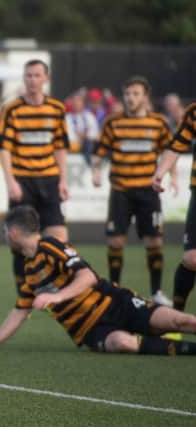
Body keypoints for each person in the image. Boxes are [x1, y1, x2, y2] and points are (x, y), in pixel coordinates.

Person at [0, 205, 196, 355]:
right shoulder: (29, 270)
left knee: (181, 322)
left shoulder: (51, 246)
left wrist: (57, 296)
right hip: (90, 329)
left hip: (115, 302)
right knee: (122, 343)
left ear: (13, 233)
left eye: (4, 233)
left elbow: (88, 276)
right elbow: (19, 312)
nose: (4, 238)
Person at [92, 76, 175, 306]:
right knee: (116, 242)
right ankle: (114, 291)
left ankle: (157, 291)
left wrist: (174, 177)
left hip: (148, 191)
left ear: (145, 97)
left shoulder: (159, 123)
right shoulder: (112, 122)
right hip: (121, 190)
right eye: (128, 93)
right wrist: (96, 171)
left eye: (136, 94)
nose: (131, 98)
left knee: (154, 241)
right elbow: (100, 151)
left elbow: (170, 152)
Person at [0, 59, 69, 288]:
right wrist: (10, 182)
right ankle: (24, 291)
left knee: (59, 238)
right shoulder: (12, 109)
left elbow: (60, 146)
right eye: (28, 75)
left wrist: (63, 179)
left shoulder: (56, 109)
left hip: (48, 180)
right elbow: (4, 147)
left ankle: (53, 284)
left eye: (37, 75)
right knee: (18, 239)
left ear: (46, 79)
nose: (32, 80)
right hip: (22, 180)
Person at [153, 102, 196, 312]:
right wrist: (160, 172)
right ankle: (176, 315)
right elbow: (176, 145)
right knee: (192, 258)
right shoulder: (193, 112)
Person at [65, 92, 98, 166]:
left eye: (78, 101)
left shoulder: (89, 117)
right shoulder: (67, 118)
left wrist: (84, 136)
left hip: (88, 145)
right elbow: (68, 135)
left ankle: (90, 166)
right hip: (73, 147)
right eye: (74, 102)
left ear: (83, 103)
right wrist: (80, 137)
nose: (76, 104)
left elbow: (94, 133)